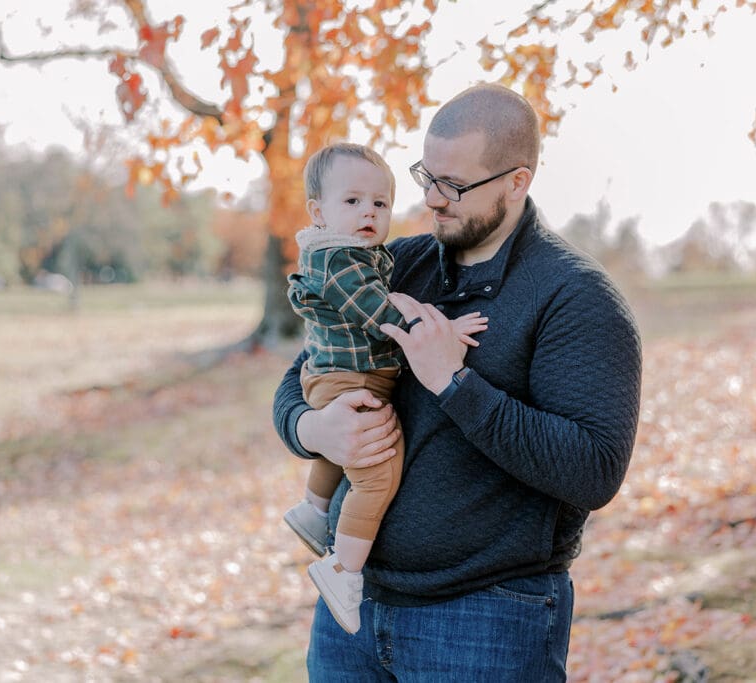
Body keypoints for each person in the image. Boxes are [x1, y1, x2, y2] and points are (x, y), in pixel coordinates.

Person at [273, 84, 643, 681]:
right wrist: (314, 427)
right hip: (351, 611)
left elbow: (593, 470)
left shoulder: (575, 297)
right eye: (425, 177)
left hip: (485, 622)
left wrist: (455, 383)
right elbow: (303, 376)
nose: (430, 200)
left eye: (453, 185)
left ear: (516, 182)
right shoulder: (400, 262)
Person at [282, 142, 488, 635]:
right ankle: (342, 570)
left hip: (344, 373)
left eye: (380, 203)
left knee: (345, 446)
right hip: (348, 377)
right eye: (352, 202)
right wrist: (441, 331)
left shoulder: (361, 255)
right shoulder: (341, 261)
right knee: (376, 471)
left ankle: (312, 509)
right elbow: (378, 313)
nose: (369, 213)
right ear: (319, 211)